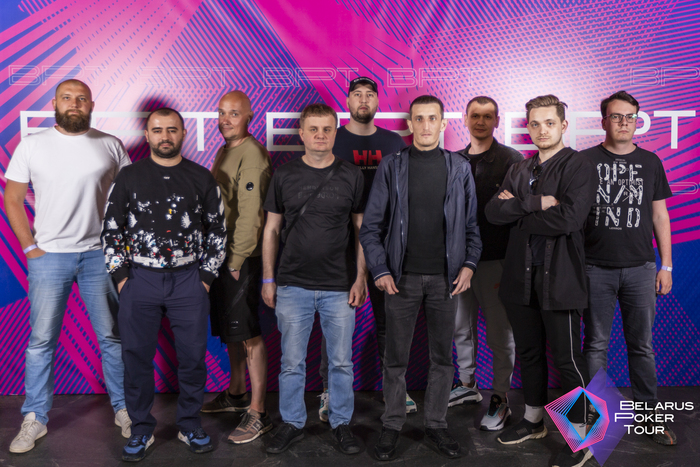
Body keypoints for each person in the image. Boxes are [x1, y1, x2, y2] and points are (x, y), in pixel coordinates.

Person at [5, 79, 131, 454]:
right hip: (49, 257)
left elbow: (130, 198)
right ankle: (35, 417)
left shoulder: (111, 144)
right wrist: (30, 248)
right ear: (54, 103)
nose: (74, 104)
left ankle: (125, 409)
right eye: (66, 98)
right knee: (41, 341)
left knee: (112, 337)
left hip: (98, 256)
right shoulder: (32, 145)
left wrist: (119, 250)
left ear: (91, 104)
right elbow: (12, 199)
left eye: (81, 98)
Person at [360, 95, 482, 461]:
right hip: (401, 279)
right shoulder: (392, 166)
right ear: (409, 125)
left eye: (432, 118)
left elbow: (472, 227)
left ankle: (437, 425)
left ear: (443, 124)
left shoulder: (459, 167)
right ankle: (392, 424)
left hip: (446, 280)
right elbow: (370, 227)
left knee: (442, 359)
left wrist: (469, 265)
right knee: (395, 359)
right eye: (419, 118)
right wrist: (380, 269)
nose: (426, 125)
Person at [101, 108, 226, 461]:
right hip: (140, 279)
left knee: (193, 359)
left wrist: (205, 278)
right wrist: (122, 279)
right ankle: (141, 429)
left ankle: (189, 424)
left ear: (183, 134)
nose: (165, 136)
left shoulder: (201, 177)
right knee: (136, 358)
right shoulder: (129, 177)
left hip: (188, 280)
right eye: (158, 130)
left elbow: (218, 230)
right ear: (147, 135)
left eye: (172, 130)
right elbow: (111, 230)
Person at [484, 95, 597, 467]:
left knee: (568, 361)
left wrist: (518, 213)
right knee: (529, 353)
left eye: (549, 123)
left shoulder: (579, 165)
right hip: (520, 279)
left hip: (560, 280)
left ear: (563, 125)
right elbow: (493, 212)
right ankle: (533, 421)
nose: (542, 130)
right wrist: (534, 203)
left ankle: (584, 440)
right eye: (535, 123)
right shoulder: (520, 168)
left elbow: (569, 219)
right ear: (528, 127)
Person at [261, 104, 366, 456]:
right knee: (292, 363)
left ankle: (341, 423)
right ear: (302, 134)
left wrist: (361, 277)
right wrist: (268, 278)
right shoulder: (284, 175)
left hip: (340, 285)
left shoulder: (352, 175)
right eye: (314, 129)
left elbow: (361, 230)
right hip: (293, 285)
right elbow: (271, 229)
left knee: (341, 363)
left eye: (327, 129)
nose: (320, 135)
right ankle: (292, 422)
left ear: (335, 132)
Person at [582, 90, 677, 446]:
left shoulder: (651, 162)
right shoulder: (584, 161)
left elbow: (659, 216)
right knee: (595, 346)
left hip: (640, 269)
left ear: (637, 122)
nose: (623, 122)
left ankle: (650, 419)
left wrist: (666, 266)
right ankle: (591, 425)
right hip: (595, 269)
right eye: (616, 116)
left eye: (630, 117)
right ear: (604, 121)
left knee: (642, 347)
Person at [318, 76, 407, 422]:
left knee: (389, 322)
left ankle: (394, 391)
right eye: (357, 94)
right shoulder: (334, 139)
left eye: (370, 94)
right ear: (348, 101)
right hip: (340, 246)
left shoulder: (393, 142)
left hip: (386, 245)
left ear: (378, 101)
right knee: (336, 324)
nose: (364, 100)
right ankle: (330, 390)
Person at [200, 91, 273, 445]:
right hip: (222, 256)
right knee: (232, 330)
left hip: (239, 259)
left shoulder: (252, 154)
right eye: (221, 113)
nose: (226, 119)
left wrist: (235, 260)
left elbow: (251, 214)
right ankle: (237, 393)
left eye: (234, 113)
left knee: (247, 333)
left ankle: (258, 411)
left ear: (249, 116)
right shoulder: (226, 150)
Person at [450, 96, 522, 432]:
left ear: (496, 121)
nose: (480, 121)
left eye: (487, 116)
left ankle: (501, 397)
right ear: (465, 119)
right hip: (458, 262)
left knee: (499, 333)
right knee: (460, 326)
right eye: (475, 115)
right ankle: (467, 384)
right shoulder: (452, 160)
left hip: (496, 260)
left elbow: (520, 211)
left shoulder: (512, 160)